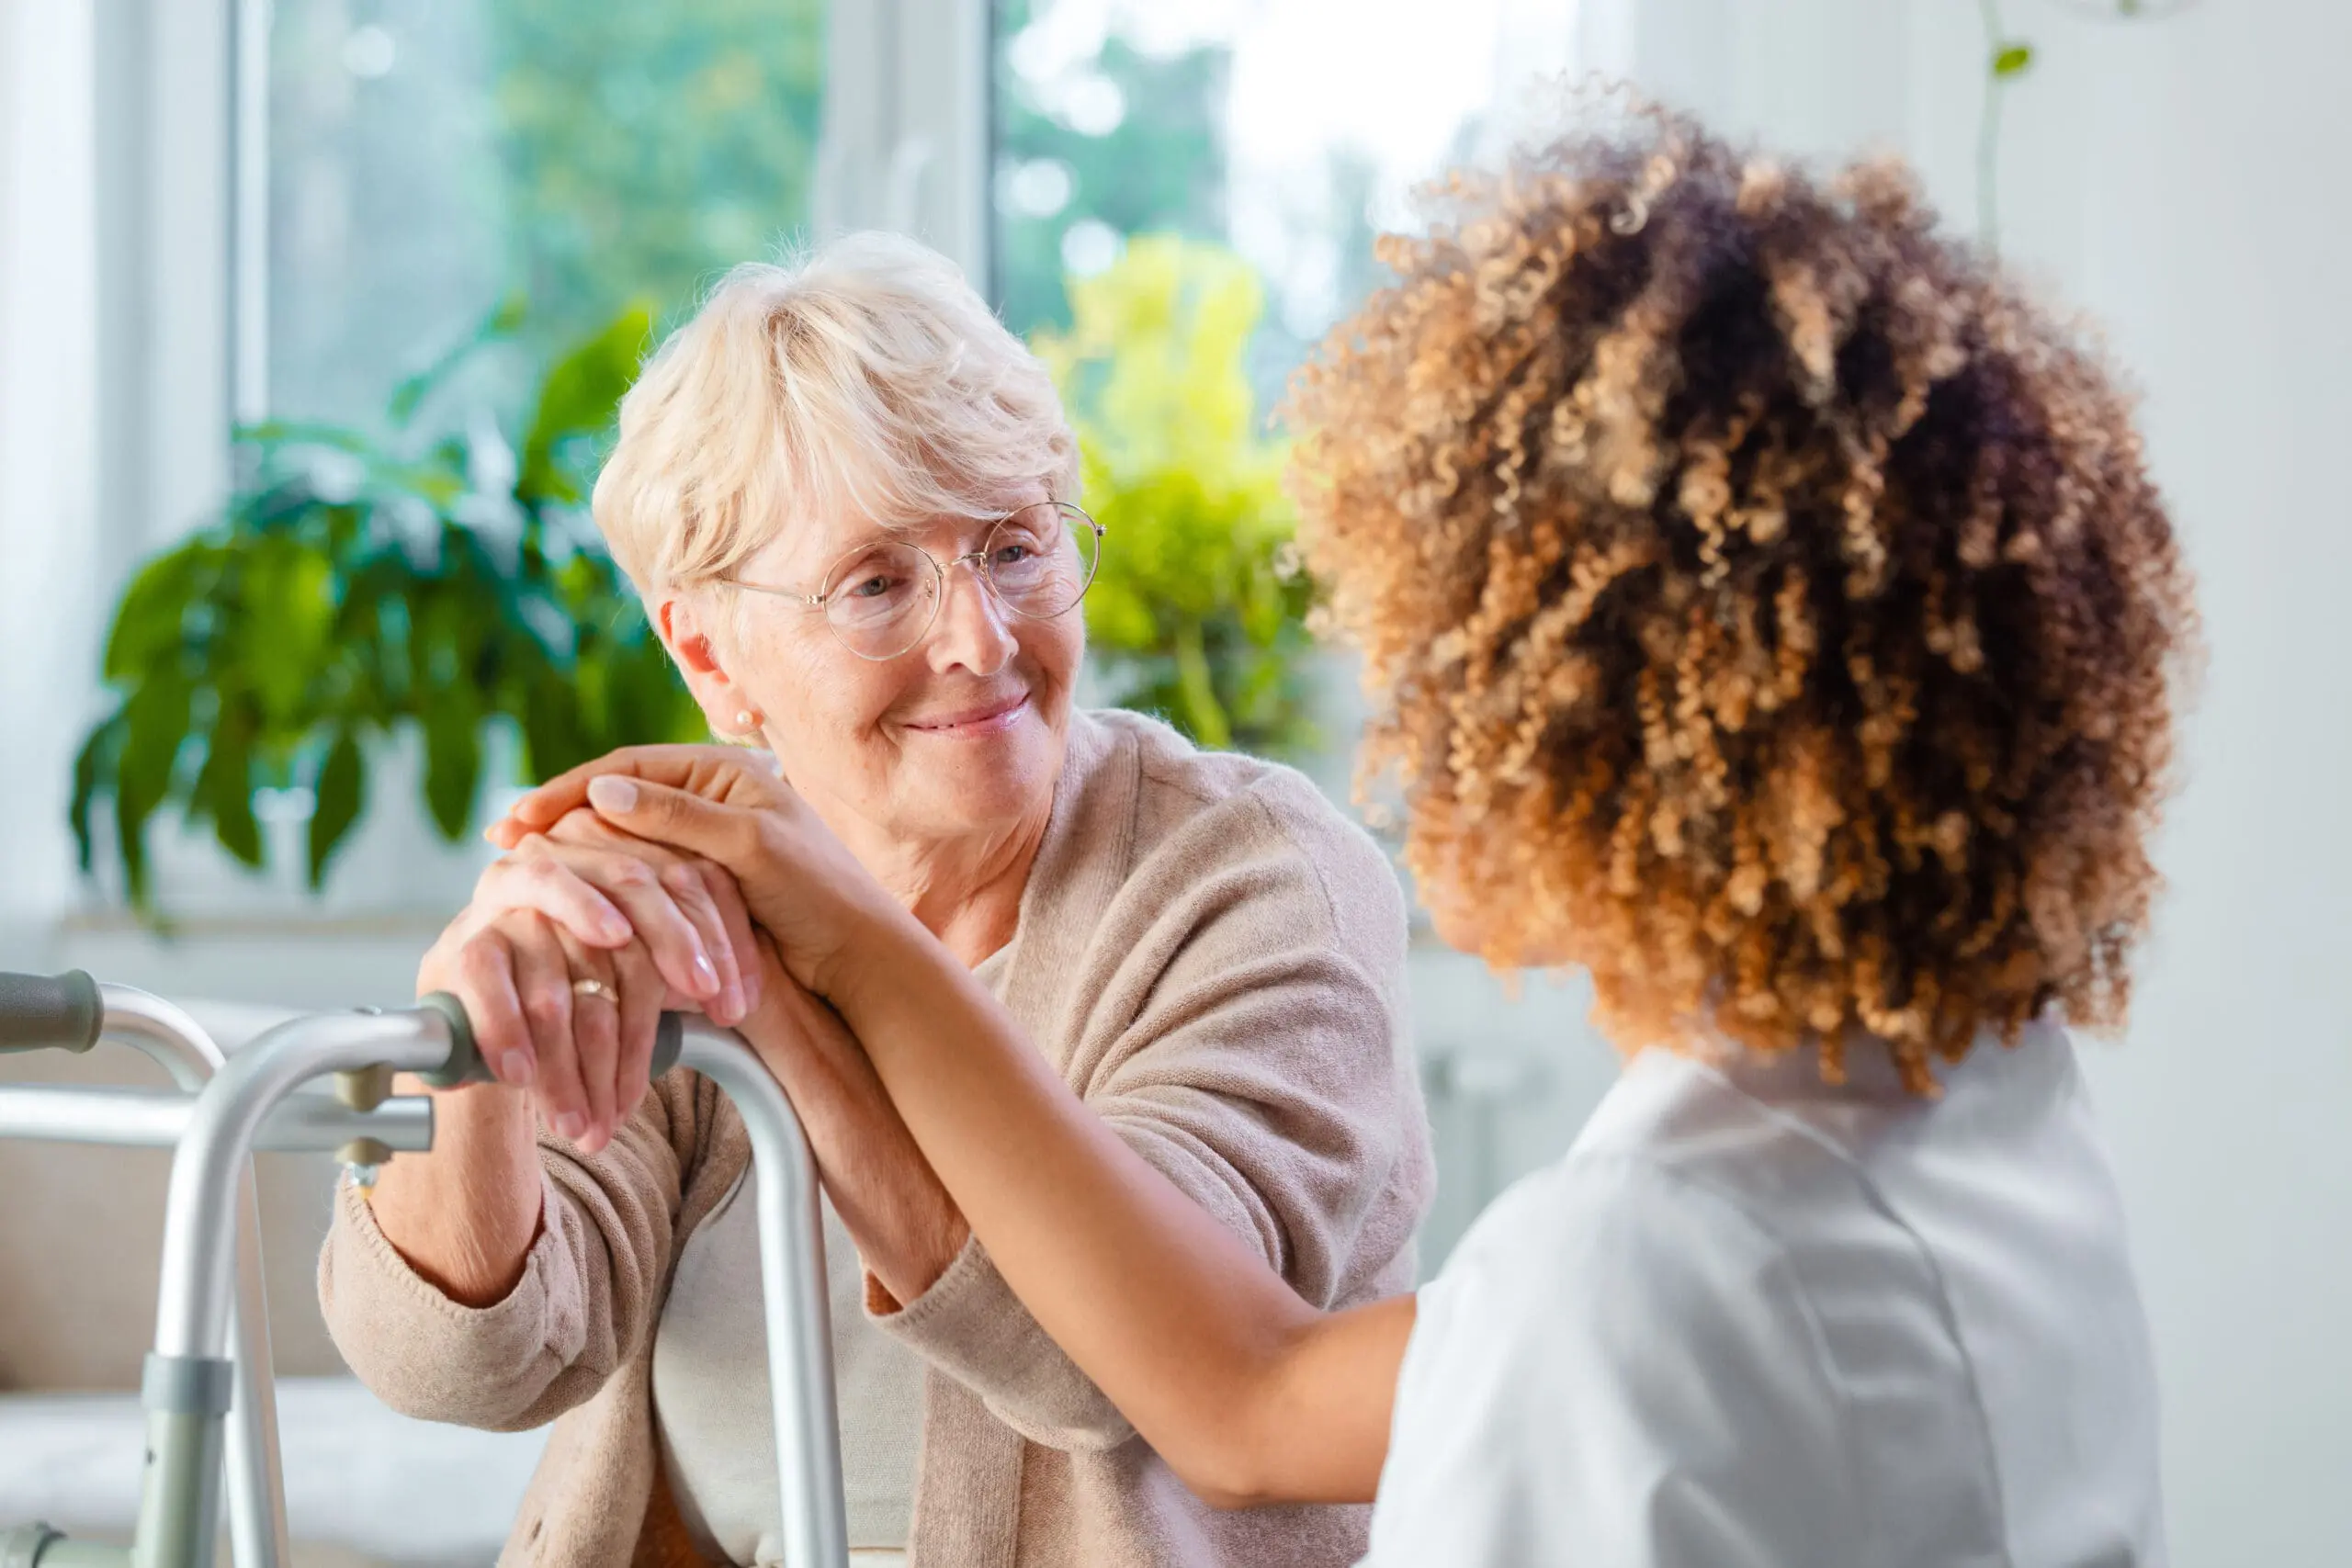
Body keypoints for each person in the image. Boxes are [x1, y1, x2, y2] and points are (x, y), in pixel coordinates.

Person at [498, 107, 2193, 1565]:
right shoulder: (2008, 1126)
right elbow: (1235, 1390)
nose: (1402, 719)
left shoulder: (1623, 1270)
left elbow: (1230, 1399)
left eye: (1429, 663)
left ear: (1558, 726)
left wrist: (841, 953)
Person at [315, 232, 1434, 1568]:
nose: (979, 638)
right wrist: (480, 1043)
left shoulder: (1249, 877)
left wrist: (801, 997)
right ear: (709, 652)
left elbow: (1156, 1366)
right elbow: (463, 1367)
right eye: (878, 582)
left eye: (1016, 548)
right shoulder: (677, 891)